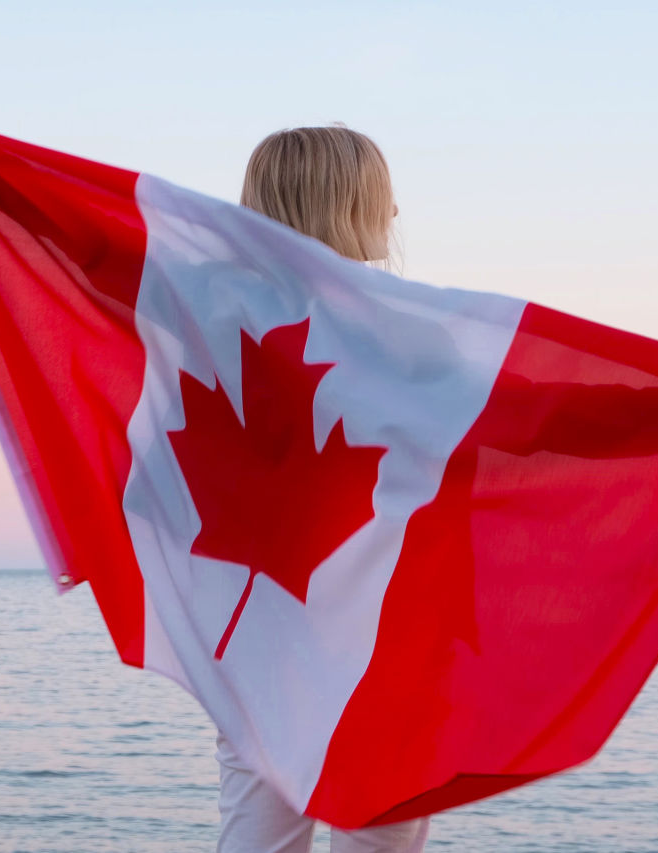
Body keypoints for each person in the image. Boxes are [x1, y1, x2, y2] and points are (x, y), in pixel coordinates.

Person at [213, 126, 428, 853]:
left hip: (258, 624)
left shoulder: (207, 330)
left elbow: (147, 479)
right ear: (344, 206)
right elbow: (518, 420)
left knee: (258, 834)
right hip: (383, 622)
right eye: (382, 196)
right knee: (381, 834)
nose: (395, 214)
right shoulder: (405, 331)